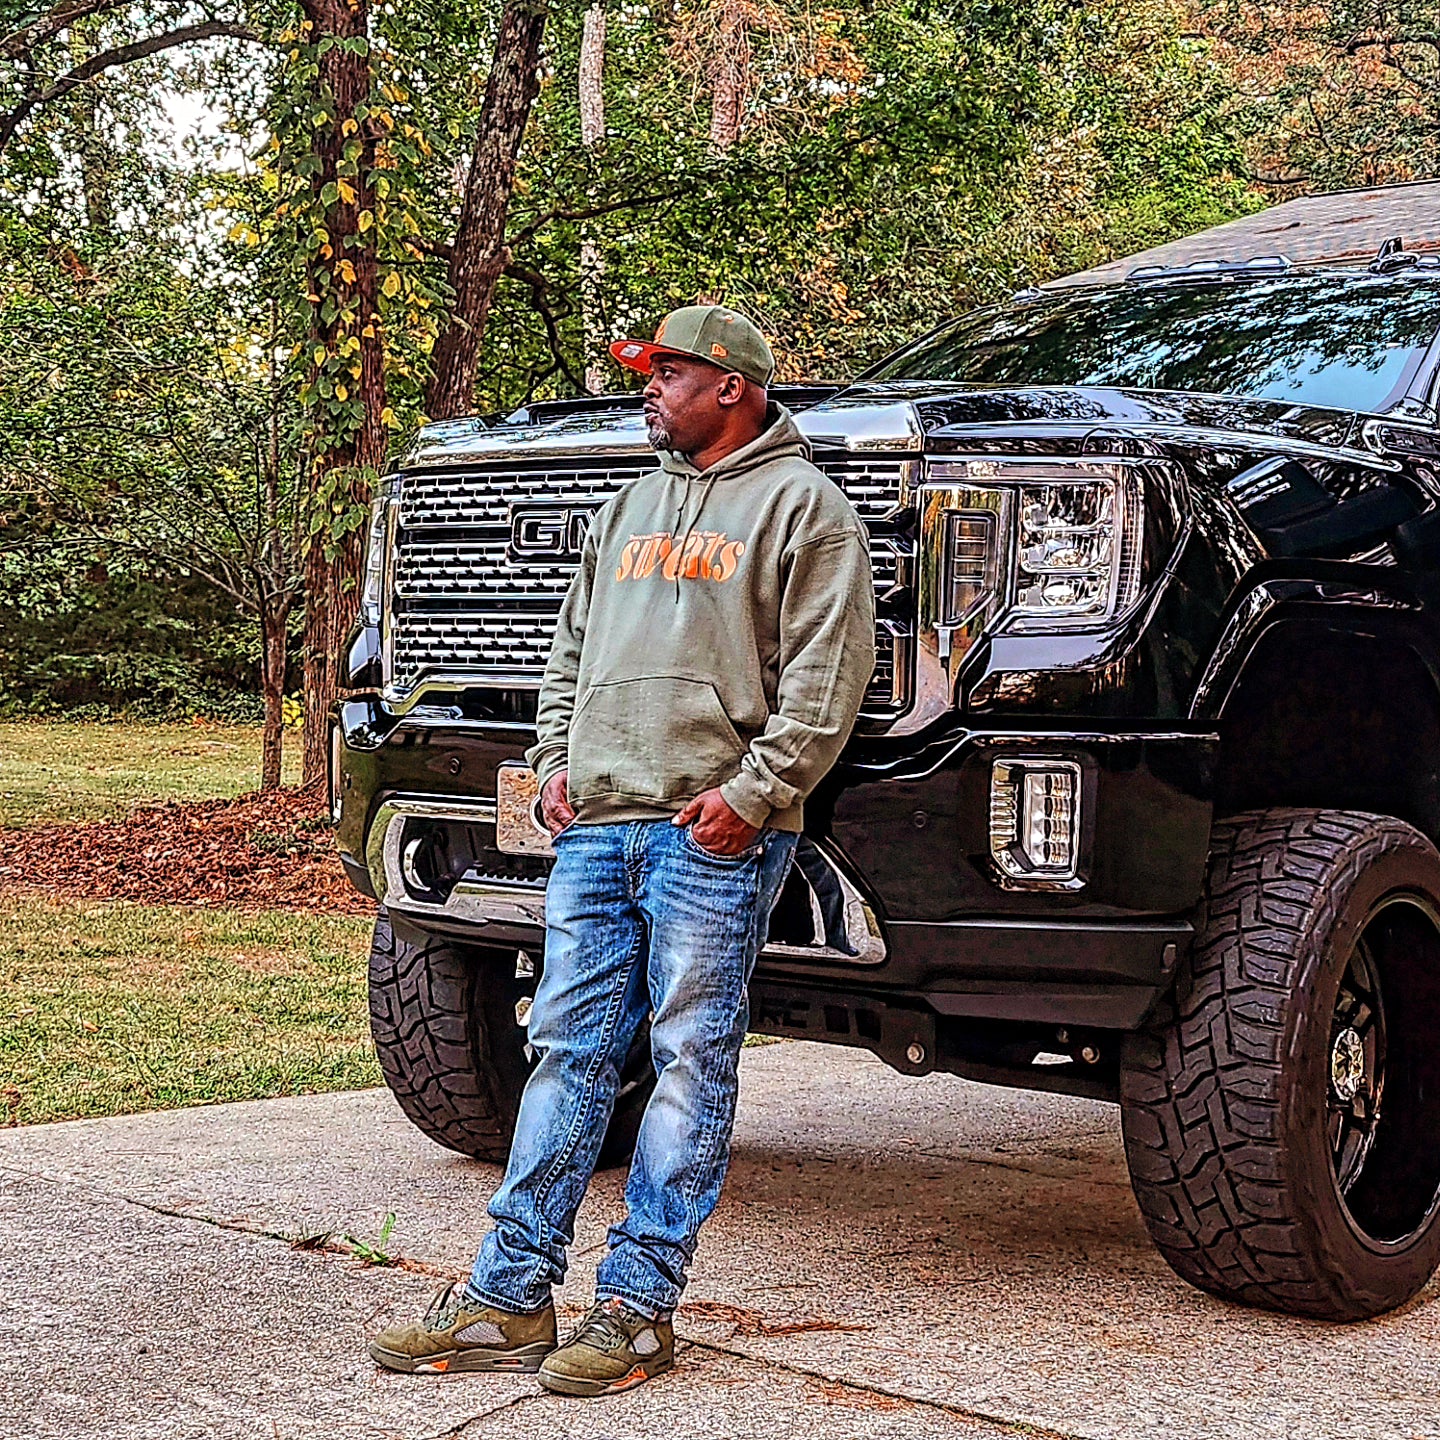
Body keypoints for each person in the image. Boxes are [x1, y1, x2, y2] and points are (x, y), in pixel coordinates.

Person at [370, 304, 876, 1396]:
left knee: (691, 1062)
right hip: (598, 825)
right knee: (568, 1052)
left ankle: (639, 1310)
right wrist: (556, 751)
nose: (648, 387)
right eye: (646, 372)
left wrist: (757, 792)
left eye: (669, 372)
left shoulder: (806, 510)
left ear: (733, 386)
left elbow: (829, 680)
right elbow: (569, 648)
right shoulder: (629, 505)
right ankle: (509, 1296)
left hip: (712, 832)